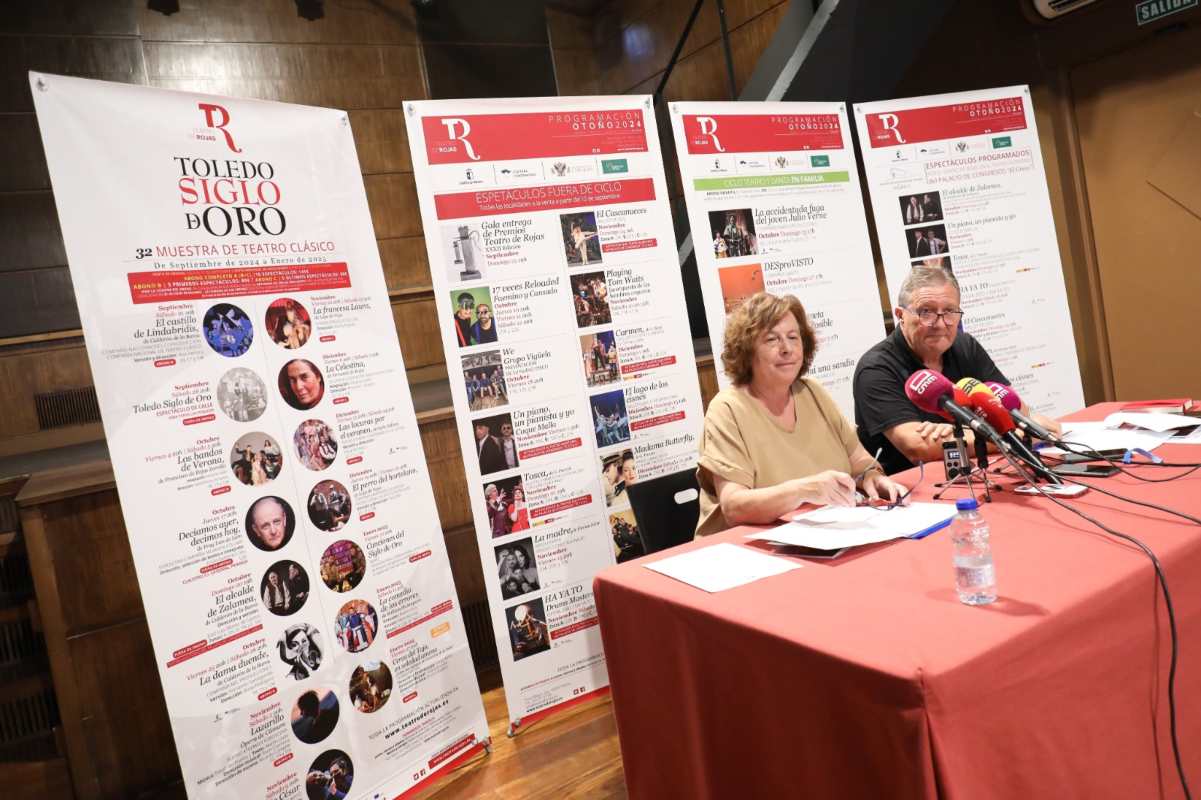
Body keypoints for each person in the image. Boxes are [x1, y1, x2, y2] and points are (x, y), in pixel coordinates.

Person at [696, 292, 907, 538]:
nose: (787, 349)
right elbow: (734, 507)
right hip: (746, 551)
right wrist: (804, 490)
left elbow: (859, 461)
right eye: (771, 339)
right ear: (746, 350)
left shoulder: (812, 392)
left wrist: (872, 477)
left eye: (793, 337)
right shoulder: (727, 409)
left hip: (819, 536)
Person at [852, 266, 1061, 474]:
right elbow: (917, 447)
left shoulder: (965, 346)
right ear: (901, 316)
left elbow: (1015, 411)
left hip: (982, 472)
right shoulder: (875, 368)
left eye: (950, 311)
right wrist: (1014, 437)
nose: (941, 324)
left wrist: (958, 434)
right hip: (912, 490)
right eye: (926, 312)